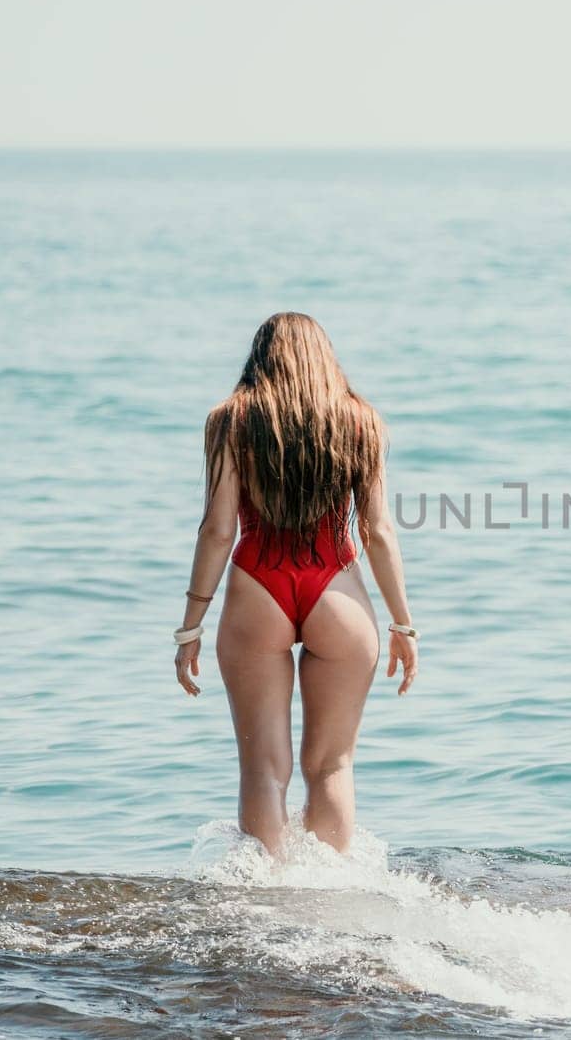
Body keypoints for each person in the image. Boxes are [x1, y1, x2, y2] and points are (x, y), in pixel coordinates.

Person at [171, 312, 418, 858]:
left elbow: (217, 530)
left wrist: (189, 627)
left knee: (264, 768)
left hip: (258, 585)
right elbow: (377, 531)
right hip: (339, 591)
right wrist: (403, 623)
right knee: (331, 764)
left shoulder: (230, 421)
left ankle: (268, 899)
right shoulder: (361, 422)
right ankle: (331, 890)